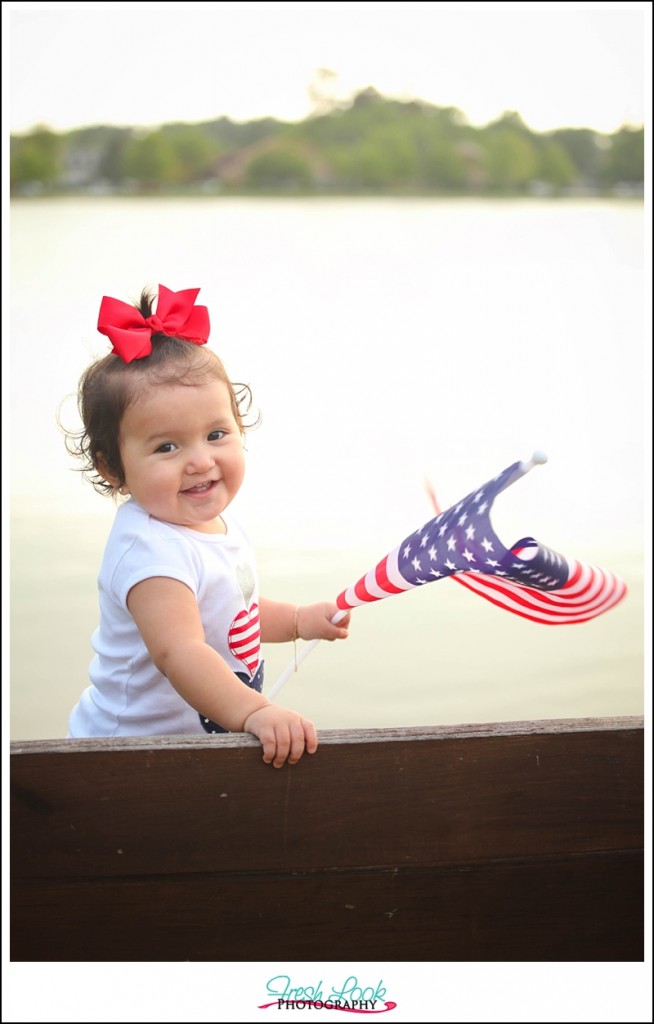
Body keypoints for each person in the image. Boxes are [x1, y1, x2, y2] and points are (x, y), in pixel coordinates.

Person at [66, 283, 350, 767]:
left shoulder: (210, 523)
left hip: (192, 749)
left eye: (216, 435)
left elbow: (229, 613)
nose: (201, 461)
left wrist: (300, 620)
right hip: (125, 755)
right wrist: (255, 712)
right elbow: (180, 650)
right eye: (166, 447)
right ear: (113, 468)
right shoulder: (150, 552)